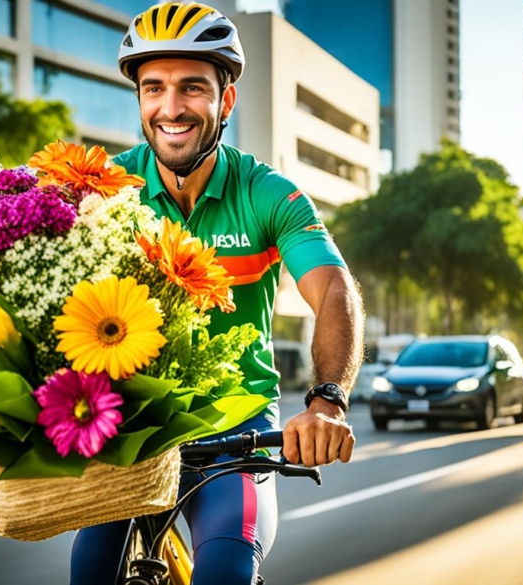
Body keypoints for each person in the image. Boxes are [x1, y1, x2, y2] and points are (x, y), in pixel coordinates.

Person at [69, 3, 364, 584]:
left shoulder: (268, 194)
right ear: (138, 98)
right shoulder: (100, 191)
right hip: (126, 431)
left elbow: (334, 290)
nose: (171, 107)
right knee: (89, 571)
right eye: (153, 87)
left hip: (235, 432)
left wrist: (326, 401)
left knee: (225, 569)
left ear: (225, 101)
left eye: (192, 88)